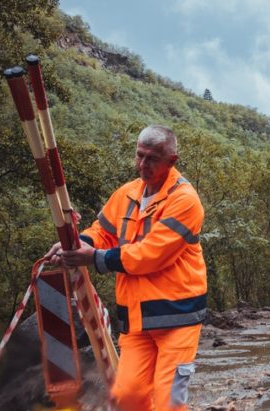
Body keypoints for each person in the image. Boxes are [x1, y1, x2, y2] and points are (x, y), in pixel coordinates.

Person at [45, 125, 207, 411]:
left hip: (177, 318)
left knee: (170, 402)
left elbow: (150, 255)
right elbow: (102, 231)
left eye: (152, 158)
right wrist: (76, 243)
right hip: (135, 318)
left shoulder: (185, 200)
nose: (143, 165)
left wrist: (93, 258)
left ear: (172, 161)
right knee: (128, 398)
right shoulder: (127, 193)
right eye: (139, 156)